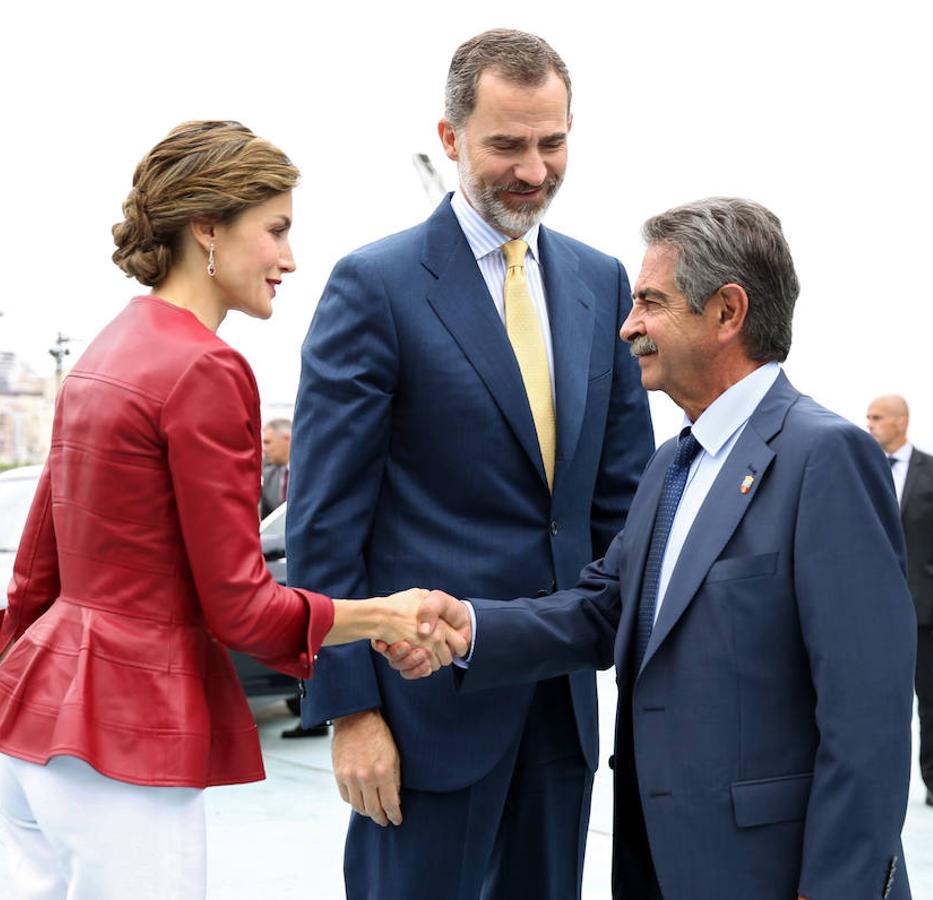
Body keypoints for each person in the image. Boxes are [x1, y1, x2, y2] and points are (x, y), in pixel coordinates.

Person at [0, 120, 467, 899]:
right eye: (275, 230)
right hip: (122, 742)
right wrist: (387, 617)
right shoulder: (205, 367)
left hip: (34, 733)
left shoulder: (105, 350)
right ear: (207, 226)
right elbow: (241, 610)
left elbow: (39, 567)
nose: (290, 258)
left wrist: (10, 700)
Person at [392, 198, 916, 899]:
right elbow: (603, 609)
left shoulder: (826, 457)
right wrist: (471, 627)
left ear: (727, 312)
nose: (627, 325)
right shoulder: (671, 465)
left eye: (650, 302)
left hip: (772, 874)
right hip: (661, 866)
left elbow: (867, 721)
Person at [286, 28, 652, 900]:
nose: (534, 170)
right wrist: (351, 709)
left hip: (561, 711)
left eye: (552, 142)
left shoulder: (601, 282)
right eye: (507, 145)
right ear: (450, 139)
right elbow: (325, 521)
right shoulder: (373, 285)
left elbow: (621, 503)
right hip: (419, 720)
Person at [867, 394, 933, 813]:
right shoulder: (863, 466)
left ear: (901, 422)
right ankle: (873, 782)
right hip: (871, 611)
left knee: (931, 698)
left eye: (877, 417)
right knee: (868, 699)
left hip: (924, 610)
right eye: (868, 417)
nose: (869, 424)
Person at [260, 417, 292, 519]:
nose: (264, 449)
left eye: (267, 442)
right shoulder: (267, 475)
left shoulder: (314, 474)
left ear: (287, 439)